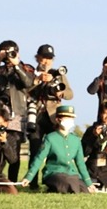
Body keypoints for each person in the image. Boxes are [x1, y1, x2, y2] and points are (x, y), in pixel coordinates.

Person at [0, 40, 35, 182]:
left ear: (17, 52)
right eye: (5, 52)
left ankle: (12, 182)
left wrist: (17, 66)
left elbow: (28, 83)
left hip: (16, 112)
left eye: (11, 52)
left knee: (14, 148)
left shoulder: (26, 68)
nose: (8, 55)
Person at [27, 44, 73, 190]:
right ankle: (32, 182)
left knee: (55, 149)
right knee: (35, 148)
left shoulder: (58, 74)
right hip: (36, 116)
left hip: (53, 117)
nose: (47, 61)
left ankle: (52, 180)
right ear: (37, 58)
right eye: (44, 58)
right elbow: (24, 90)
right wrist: (38, 80)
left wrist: (60, 93)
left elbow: (70, 94)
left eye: (50, 58)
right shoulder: (30, 72)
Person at [22, 105, 96, 194]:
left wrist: (89, 183)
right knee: (68, 185)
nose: (69, 121)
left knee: (83, 189)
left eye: (71, 118)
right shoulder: (50, 138)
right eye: (66, 118)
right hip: (54, 173)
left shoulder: (76, 140)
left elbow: (80, 163)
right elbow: (39, 158)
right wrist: (29, 177)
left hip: (71, 173)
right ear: (57, 120)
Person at [82, 100, 107, 190]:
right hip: (93, 170)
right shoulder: (91, 130)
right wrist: (93, 136)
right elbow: (83, 152)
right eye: (105, 113)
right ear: (100, 114)